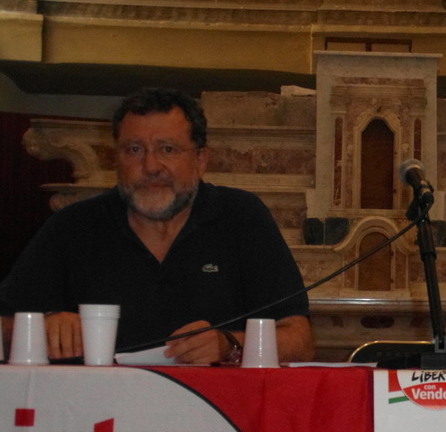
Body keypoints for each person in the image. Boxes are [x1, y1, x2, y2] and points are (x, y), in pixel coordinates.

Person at [0, 87, 315, 365]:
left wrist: (230, 345)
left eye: (167, 149)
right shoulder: (72, 226)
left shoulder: (241, 217)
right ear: (116, 158)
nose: (150, 166)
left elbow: (299, 340)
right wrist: (40, 327)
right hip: (96, 409)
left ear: (201, 159)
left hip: (214, 408)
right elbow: (3, 326)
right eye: (134, 150)